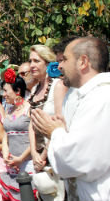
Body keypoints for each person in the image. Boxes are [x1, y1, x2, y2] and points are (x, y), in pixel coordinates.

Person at [32, 37, 110, 201]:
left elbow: (74, 160)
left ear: (83, 62)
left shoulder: (101, 98)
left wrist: (54, 131)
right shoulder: (80, 95)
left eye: (65, 59)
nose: (59, 66)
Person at [27, 45, 68, 172]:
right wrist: (34, 153)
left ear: (48, 63)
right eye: (30, 61)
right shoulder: (34, 89)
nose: (32, 65)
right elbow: (31, 124)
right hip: (39, 157)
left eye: (36, 61)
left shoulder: (58, 86)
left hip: (55, 153)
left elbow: (59, 123)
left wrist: (44, 155)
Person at [0, 68, 35, 200]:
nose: (4, 94)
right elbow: (6, 136)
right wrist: (5, 154)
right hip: (11, 164)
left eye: (6, 91)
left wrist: (21, 159)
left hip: (27, 163)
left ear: (18, 91)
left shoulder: (29, 108)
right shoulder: (9, 110)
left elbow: (35, 139)